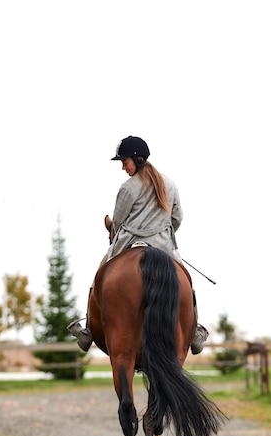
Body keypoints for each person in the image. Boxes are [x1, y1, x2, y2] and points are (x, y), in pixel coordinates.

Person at [67, 135, 208, 354]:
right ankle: (195, 330)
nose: (123, 167)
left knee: (100, 275)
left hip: (128, 243)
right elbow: (177, 218)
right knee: (186, 284)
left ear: (138, 159)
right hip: (163, 246)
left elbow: (119, 221)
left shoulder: (128, 188)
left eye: (125, 162)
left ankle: (87, 329)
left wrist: (117, 232)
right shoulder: (169, 184)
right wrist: (163, 234)